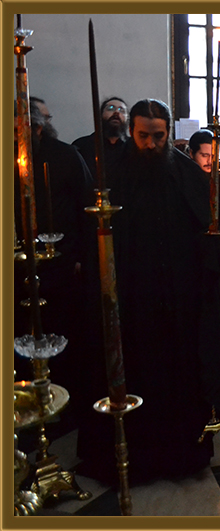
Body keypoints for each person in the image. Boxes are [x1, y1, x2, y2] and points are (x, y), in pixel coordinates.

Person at [77, 99, 220, 484]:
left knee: (178, 379)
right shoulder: (111, 176)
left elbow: (210, 223)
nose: (151, 144)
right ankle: (133, 458)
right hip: (130, 301)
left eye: (159, 137)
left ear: (169, 133)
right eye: (143, 136)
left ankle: (181, 456)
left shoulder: (187, 173)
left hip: (177, 303)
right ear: (132, 131)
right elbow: (95, 239)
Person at [13, 100, 95, 424]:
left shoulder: (65, 155)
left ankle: (65, 405)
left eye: (19, 130)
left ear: (36, 128)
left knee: (61, 331)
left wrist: (81, 257)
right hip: (17, 265)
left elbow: (87, 207)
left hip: (61, 262)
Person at [72, 97, 129, 179]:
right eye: (111, 108)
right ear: (100, 115)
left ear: (127, 119)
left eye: (122, 110)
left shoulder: (133, 147)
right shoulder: (82, 146)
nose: (116, 112)